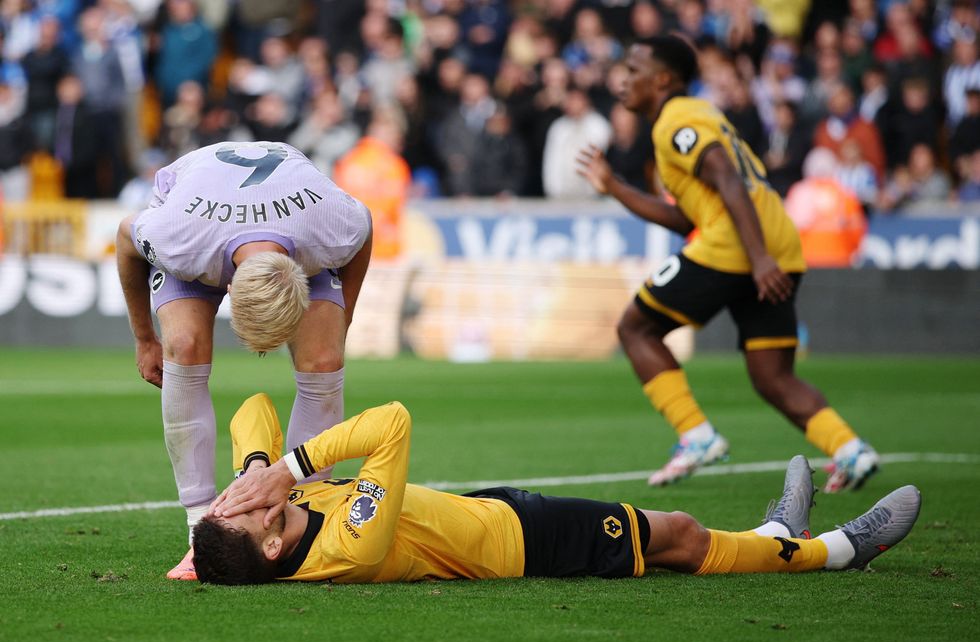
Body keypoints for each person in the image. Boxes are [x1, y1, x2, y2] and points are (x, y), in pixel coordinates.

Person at [193, 393, 920, 585]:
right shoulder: (349, 544)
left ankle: (771, 540)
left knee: (678, 536)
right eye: (252, 503)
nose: (253, 492)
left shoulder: (265, 524)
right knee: (681, 534)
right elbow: (392, 423)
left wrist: (253, 466)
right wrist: (286, 467)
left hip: (479, 510)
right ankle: (833, 551)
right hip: (522, 542)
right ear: (270, 537)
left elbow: (250, 405)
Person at [575, 36, 879, 492]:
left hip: (738, 247)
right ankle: (850, 450)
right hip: (776, 246)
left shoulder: (677, 119)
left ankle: (696, 435)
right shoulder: (696, 117)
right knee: (772, 376)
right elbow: (684, 216)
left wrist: (757, 261)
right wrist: (615, 187)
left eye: (634, 70)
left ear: (663, 79)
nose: (623, 81)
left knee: (635, 328)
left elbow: (727, 178)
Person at [115, 141, 373, 580]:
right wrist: (145, 338)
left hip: (293, 221)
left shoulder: (333, 226)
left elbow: (364, 230)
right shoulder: (178, 239)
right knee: (185, 343)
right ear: (228, 290)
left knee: (325, 357)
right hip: (202, 223)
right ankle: (198, 530)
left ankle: (303, 514)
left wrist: (341, 319)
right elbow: (124, 237)